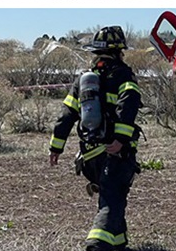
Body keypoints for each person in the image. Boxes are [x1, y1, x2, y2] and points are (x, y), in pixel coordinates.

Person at [49, 26, 142, 251]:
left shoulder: (83, 79)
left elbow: (66, 115)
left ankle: (118, 243)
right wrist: (120, 139)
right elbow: (127, 106)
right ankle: (97, 244)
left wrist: (56, 147)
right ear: (120, 51)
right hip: (114, 151)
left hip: (89, 156)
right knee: (112, 197)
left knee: (113, 193)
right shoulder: (123, 75)